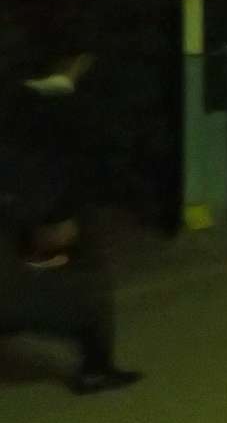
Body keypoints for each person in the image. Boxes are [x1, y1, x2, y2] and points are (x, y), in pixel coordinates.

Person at [0, 53, 142, 396]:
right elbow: (54, 166)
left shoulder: (16, 98)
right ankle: (95, 368)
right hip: (49, 211)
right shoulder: (57, 106)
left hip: (20, 210)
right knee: (86, 288)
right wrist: (56, 216)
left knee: (32, 282)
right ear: (75, 63)